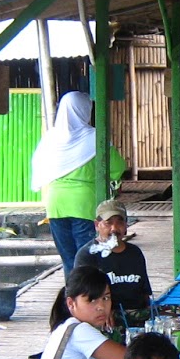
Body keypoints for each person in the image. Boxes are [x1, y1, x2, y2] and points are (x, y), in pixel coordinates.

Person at [32, 92, 127, 277]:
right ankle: (89, 297)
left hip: (55, 204)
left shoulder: (50, 138)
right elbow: (117, 167)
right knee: (89, 258)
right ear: (84, 110)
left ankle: (73, 299)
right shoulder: (94, 137)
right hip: (84, 204)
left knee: (68, 260)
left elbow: (39, 166)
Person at [73, 199, 151, 329]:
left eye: (120, 222)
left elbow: (145, 294)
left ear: (126, 226)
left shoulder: (135, 253)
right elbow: (82, 298)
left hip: (136, 317)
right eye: (108, 223)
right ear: (97, 225)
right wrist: (104, 311)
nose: (114, 228)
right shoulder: (87, 255)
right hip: (103, 319)